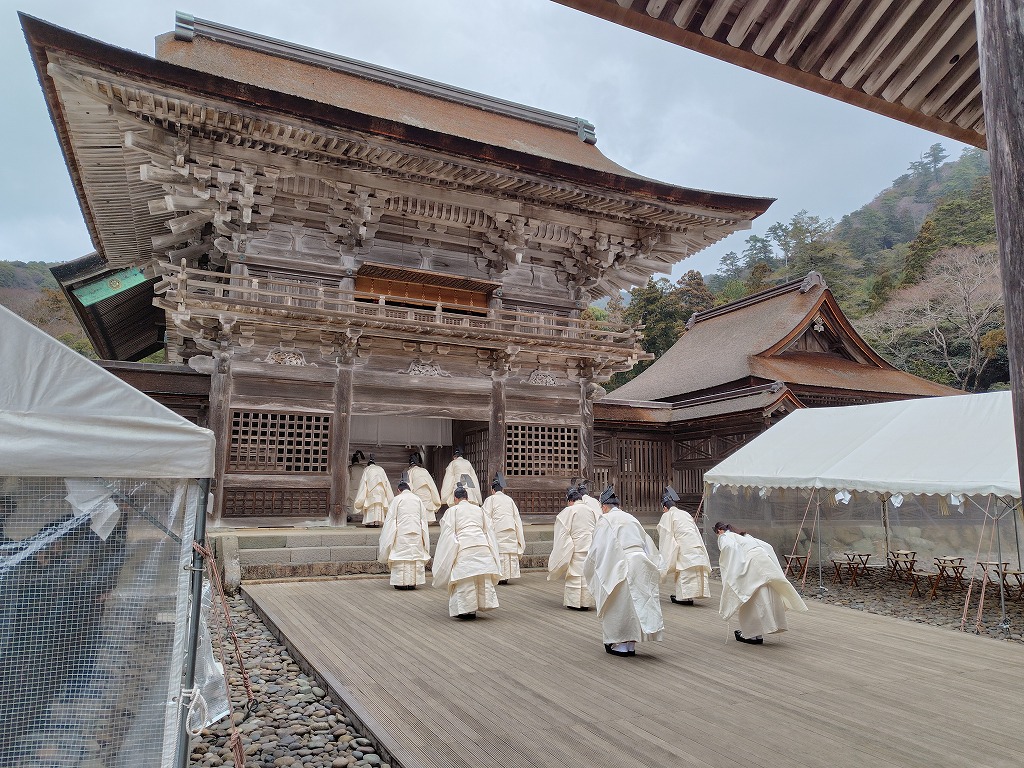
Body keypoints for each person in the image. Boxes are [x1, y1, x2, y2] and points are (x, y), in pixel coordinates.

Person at [583, 485, 664, 657]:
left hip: (620, 562)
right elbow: (646, 542)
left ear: (604, 506)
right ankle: (631, 644)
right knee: (636, 605)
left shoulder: (605, 520)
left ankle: (620, 643)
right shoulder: (631, 518)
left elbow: (599, 548)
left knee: (619, 604)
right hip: (641, 562)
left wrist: (593, 566)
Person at [714, 521, 808, 644]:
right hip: (763, 561)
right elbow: (767, 546)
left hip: (750, 563)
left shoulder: (724, 536)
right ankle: (758, 633)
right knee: (763, 594)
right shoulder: (744, 536)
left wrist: (734, 569)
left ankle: (752, 635)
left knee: (750, 597)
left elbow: (728, 548)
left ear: (719, 530)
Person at [432, 478, 501, 619]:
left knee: (465, 579)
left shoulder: (453, 511)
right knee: (480, 577)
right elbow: (488, 530)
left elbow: (448, 533)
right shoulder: (479, 510)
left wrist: (451, 550)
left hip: (465, 546)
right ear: (467, 498)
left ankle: (466, 610)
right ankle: (479, 605)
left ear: (456, 499)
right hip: (482, 546)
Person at [547, 482, 600, 610]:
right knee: (587, 574)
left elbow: (562, 532)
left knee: (576, 575)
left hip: (576, 547)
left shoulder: (569, 510)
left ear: (570, 500)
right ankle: (586, 602)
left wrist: (565, 547)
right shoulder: (591, 510)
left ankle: (575, 602)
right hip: (590, 546)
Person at [657, 487, 711, 606]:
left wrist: (664, 559)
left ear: (665, 507)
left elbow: (666, 536)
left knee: (684, 569)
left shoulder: (667, 515)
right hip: (695, 543)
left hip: (683, 546)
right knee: (694, 569)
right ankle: (690, 596)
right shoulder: (685, 514)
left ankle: (683, 597)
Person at [378, 472, 431, 590]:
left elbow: (391, 520)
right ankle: (413, 582)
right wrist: (424, 537)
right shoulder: (418, 500)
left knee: (401, 557)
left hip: (401, 532)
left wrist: (388, 537)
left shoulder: (397, 499)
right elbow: (423, 520)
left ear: (398, 490)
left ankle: (400, 582)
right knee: (414, 557)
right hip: (416, 532)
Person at [481, 472, 524, 584]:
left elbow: (485, 517)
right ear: (502, 489)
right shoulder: (509, 500)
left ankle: (499, 576)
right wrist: (519, 534)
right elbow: (517, 518)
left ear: (493, 489)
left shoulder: (490, 499)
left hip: (497, 529)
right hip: (510, 529)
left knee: (499, 552)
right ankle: (506, 577)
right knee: (508, 553)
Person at [354, 454, 392, 527]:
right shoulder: (381, 469)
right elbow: (386, 481)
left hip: (371, 489)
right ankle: (377, 522)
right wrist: (389, 496)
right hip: (381, 490)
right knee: (378, 505)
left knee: (371, 505)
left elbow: (363, 482)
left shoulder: (367, 469)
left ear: (368, 464)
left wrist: (361, 495)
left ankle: (370, 522)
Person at [407, 452, 441, 524]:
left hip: (417, 495)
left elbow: (408, 486)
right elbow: (432, 485)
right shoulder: (425, 471)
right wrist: (436, 499)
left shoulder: (410, 472)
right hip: (427, 494)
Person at [347, 451, 366, 523]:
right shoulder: (364, 468)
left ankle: (350, 515)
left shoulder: (350, 468)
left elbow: (347, 477)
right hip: (362, 486)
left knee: (351, 501)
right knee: (361, 500)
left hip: (352, 486)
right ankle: (363, 515)